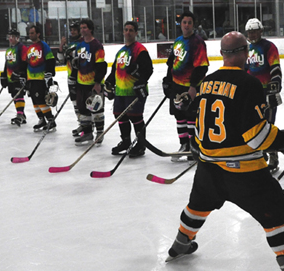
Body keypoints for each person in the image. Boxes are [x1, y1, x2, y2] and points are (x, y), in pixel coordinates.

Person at [164, 31, 284, 271]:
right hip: (244, 171)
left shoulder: (207, 82)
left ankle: (179, 246)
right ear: (245, 52)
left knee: (197, 207)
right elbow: (256, 136)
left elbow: (197, 124)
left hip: (209, 167)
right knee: (275, 214)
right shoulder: (248, 83)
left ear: (223, 55)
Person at [162, 11, 209, 160]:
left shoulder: (198, 42)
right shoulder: (178, 41)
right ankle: (184, 145)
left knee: (191, 116)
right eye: (184, 22)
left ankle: (193, 146)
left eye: (189, 22)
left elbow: (202, 67)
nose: (186, 25)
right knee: (179, 116)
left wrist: (194, 86)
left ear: (193, 25)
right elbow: (172, 63)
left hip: (191, 86)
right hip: (177, 85)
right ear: (180, 24)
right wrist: (167, 81)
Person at [104, 21, 153, 157]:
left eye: (131, 30)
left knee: (136, 117)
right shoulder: (121, 52)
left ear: (136, 33)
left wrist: (141, 80)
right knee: (119, 115)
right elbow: (115, 70)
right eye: (126, 30)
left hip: (135, 92)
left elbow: (148, 70)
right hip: (120, 91)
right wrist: (108, 82)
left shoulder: (140, 50)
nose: (128, 32)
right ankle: (126, 141)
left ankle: (141, 144)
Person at [245, 17, 282, 174]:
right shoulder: (246, 49)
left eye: (255, 31)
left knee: (268, 124)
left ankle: (273, 156)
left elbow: (275, 68)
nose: (252, 35)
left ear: (260, 31)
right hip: (253, 92)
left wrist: (274, 88)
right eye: (250, 32)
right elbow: (245, 70)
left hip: (267, 91)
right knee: (254, 124)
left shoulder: (268, 46)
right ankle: (260, 154)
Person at [72, 19, 107, 144]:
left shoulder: (96, 45)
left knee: (96, 108)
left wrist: (97, 83)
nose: (82, 30)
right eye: (81, 28)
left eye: (85, 27)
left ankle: (99, 133)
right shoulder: (80, 44)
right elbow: (77, 62)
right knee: (82, 109)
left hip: (93, 84)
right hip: (81, 83)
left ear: (91, 29)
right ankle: (87, 133)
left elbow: (101, 66)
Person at [26, 24, 58, 132]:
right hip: (31, 79)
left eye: (32, 33)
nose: (30, 35)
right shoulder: (30, 48)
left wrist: (49, 73)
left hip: (41, 78)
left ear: (38, 34)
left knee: (40, 100)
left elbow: (50, 59)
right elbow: (28, 64)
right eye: (29, 33)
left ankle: (50, 120)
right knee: (34, 100)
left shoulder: (43, 45)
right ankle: (41, 119)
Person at [58, 22, 82, 134]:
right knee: (75, 103)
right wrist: (61, 46)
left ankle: (88, 126)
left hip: (82, 78)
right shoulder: (69, 44)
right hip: (71, 78)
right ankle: (81, 124)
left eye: (74, 30)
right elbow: (60, 60)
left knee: (83, 103)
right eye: (71, 30)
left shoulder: (83, 43)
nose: (72, 32)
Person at [1, 29, 28, 126]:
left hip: (18, 77)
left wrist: (21, 73)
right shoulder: (9, 50)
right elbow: (7, 63)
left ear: (17, 37)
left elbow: (25, 62)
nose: (10, 38)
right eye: (9, 36)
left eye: (12, 36)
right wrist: (4, 76)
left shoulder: (22, 48)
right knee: (14, 96)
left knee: (19, 95)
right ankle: (22, 115)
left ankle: (20, 115)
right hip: (10, 78)